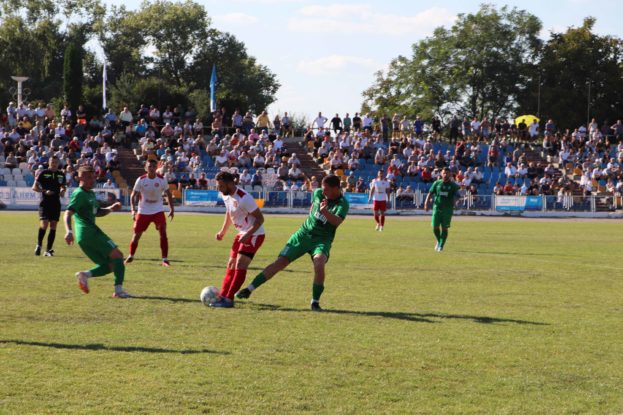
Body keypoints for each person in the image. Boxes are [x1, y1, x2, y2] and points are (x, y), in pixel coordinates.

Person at [236, 175, 349, 311]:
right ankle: (249, 289)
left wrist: (324, 211)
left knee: (319, 263)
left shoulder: (343, 203)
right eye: (322, 188)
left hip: (322, 240)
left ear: (336, 188)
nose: (323, 191)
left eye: (326, 189)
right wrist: (312, 218)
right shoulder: (319, 193)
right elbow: (313, 206)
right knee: (280, 262)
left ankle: (315, 302)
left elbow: (336, 221)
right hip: (302, 235)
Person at [63, 166, 131, 298]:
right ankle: (118, 291)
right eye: (88, 177)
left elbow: (98, 212)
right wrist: (69, 231)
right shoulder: (79, 193)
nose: (91, 179)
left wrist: (111, 208)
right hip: (89, 232)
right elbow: (68, 213)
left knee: (112, 264)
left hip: (86, 236)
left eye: (93, 177)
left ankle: (84, 275)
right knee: (118, 256)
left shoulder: (90, 194)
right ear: (79, 177)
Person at [210, 172, 265, 308]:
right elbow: (229, 213)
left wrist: (248, 234)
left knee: (240, 264)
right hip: (242, 233)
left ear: (230, 184)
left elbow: (260, 219)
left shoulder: (244, 198)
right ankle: (222, 296)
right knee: (231, 264)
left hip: (255, 234)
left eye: (221, 186)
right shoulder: (225, 195)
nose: (219, 189)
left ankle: (228, 300)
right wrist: (223, 231)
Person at [126, 159, 175, 266]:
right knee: (136, 235)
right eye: (150, 166)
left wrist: (171, 209)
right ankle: (131, 256)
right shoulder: (141, 180)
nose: (152, 168)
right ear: (146, 168)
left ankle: (165, 259)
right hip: (143, 210)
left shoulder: (162, 179)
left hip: (158, 210)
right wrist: (133, 210)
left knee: (163, 232)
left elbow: (168, 193)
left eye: (153, 166)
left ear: (156, 168)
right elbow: (133, 195)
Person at [32, 156, 67, 256]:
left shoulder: (61, 174)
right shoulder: (43, 173)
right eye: (52, 162)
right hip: (45, 202)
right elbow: (34, 187)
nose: (54, 164)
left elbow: (63, 186)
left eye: (56, 162)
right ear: (49, 162)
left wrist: (62, 191)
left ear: (58, 163)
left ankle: (48, 250)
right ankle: (39, 245)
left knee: (53, 225)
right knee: (44, 224)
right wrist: (44, 191)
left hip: (56, 203)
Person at [424, 167, 461, 252]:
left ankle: (441, 246)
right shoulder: (437, 183)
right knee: (435, 227)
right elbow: (430, 193)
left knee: (444, 228)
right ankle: (439, 240)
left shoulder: (453, 185)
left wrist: (456, 201)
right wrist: (426, 203)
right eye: (444, 173)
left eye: (447, 173)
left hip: (447, 209)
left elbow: (458, 196)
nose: (445, 175)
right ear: (441, 174)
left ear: (450, 174)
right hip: (437, 208)